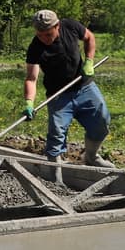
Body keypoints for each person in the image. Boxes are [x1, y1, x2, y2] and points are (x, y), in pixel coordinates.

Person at [22, 9, 113, 167]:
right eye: (40, 35)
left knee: (101, 120)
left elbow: (89, 37)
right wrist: (29, 103)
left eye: (48, 34)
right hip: (58, 96)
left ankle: (92, 157)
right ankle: (55, 174)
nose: (44, 39)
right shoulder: (35, 48)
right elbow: (31, 78)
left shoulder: (70, 27)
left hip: (84, 87)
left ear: (57, 26)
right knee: (56, 134)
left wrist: (89, 61)